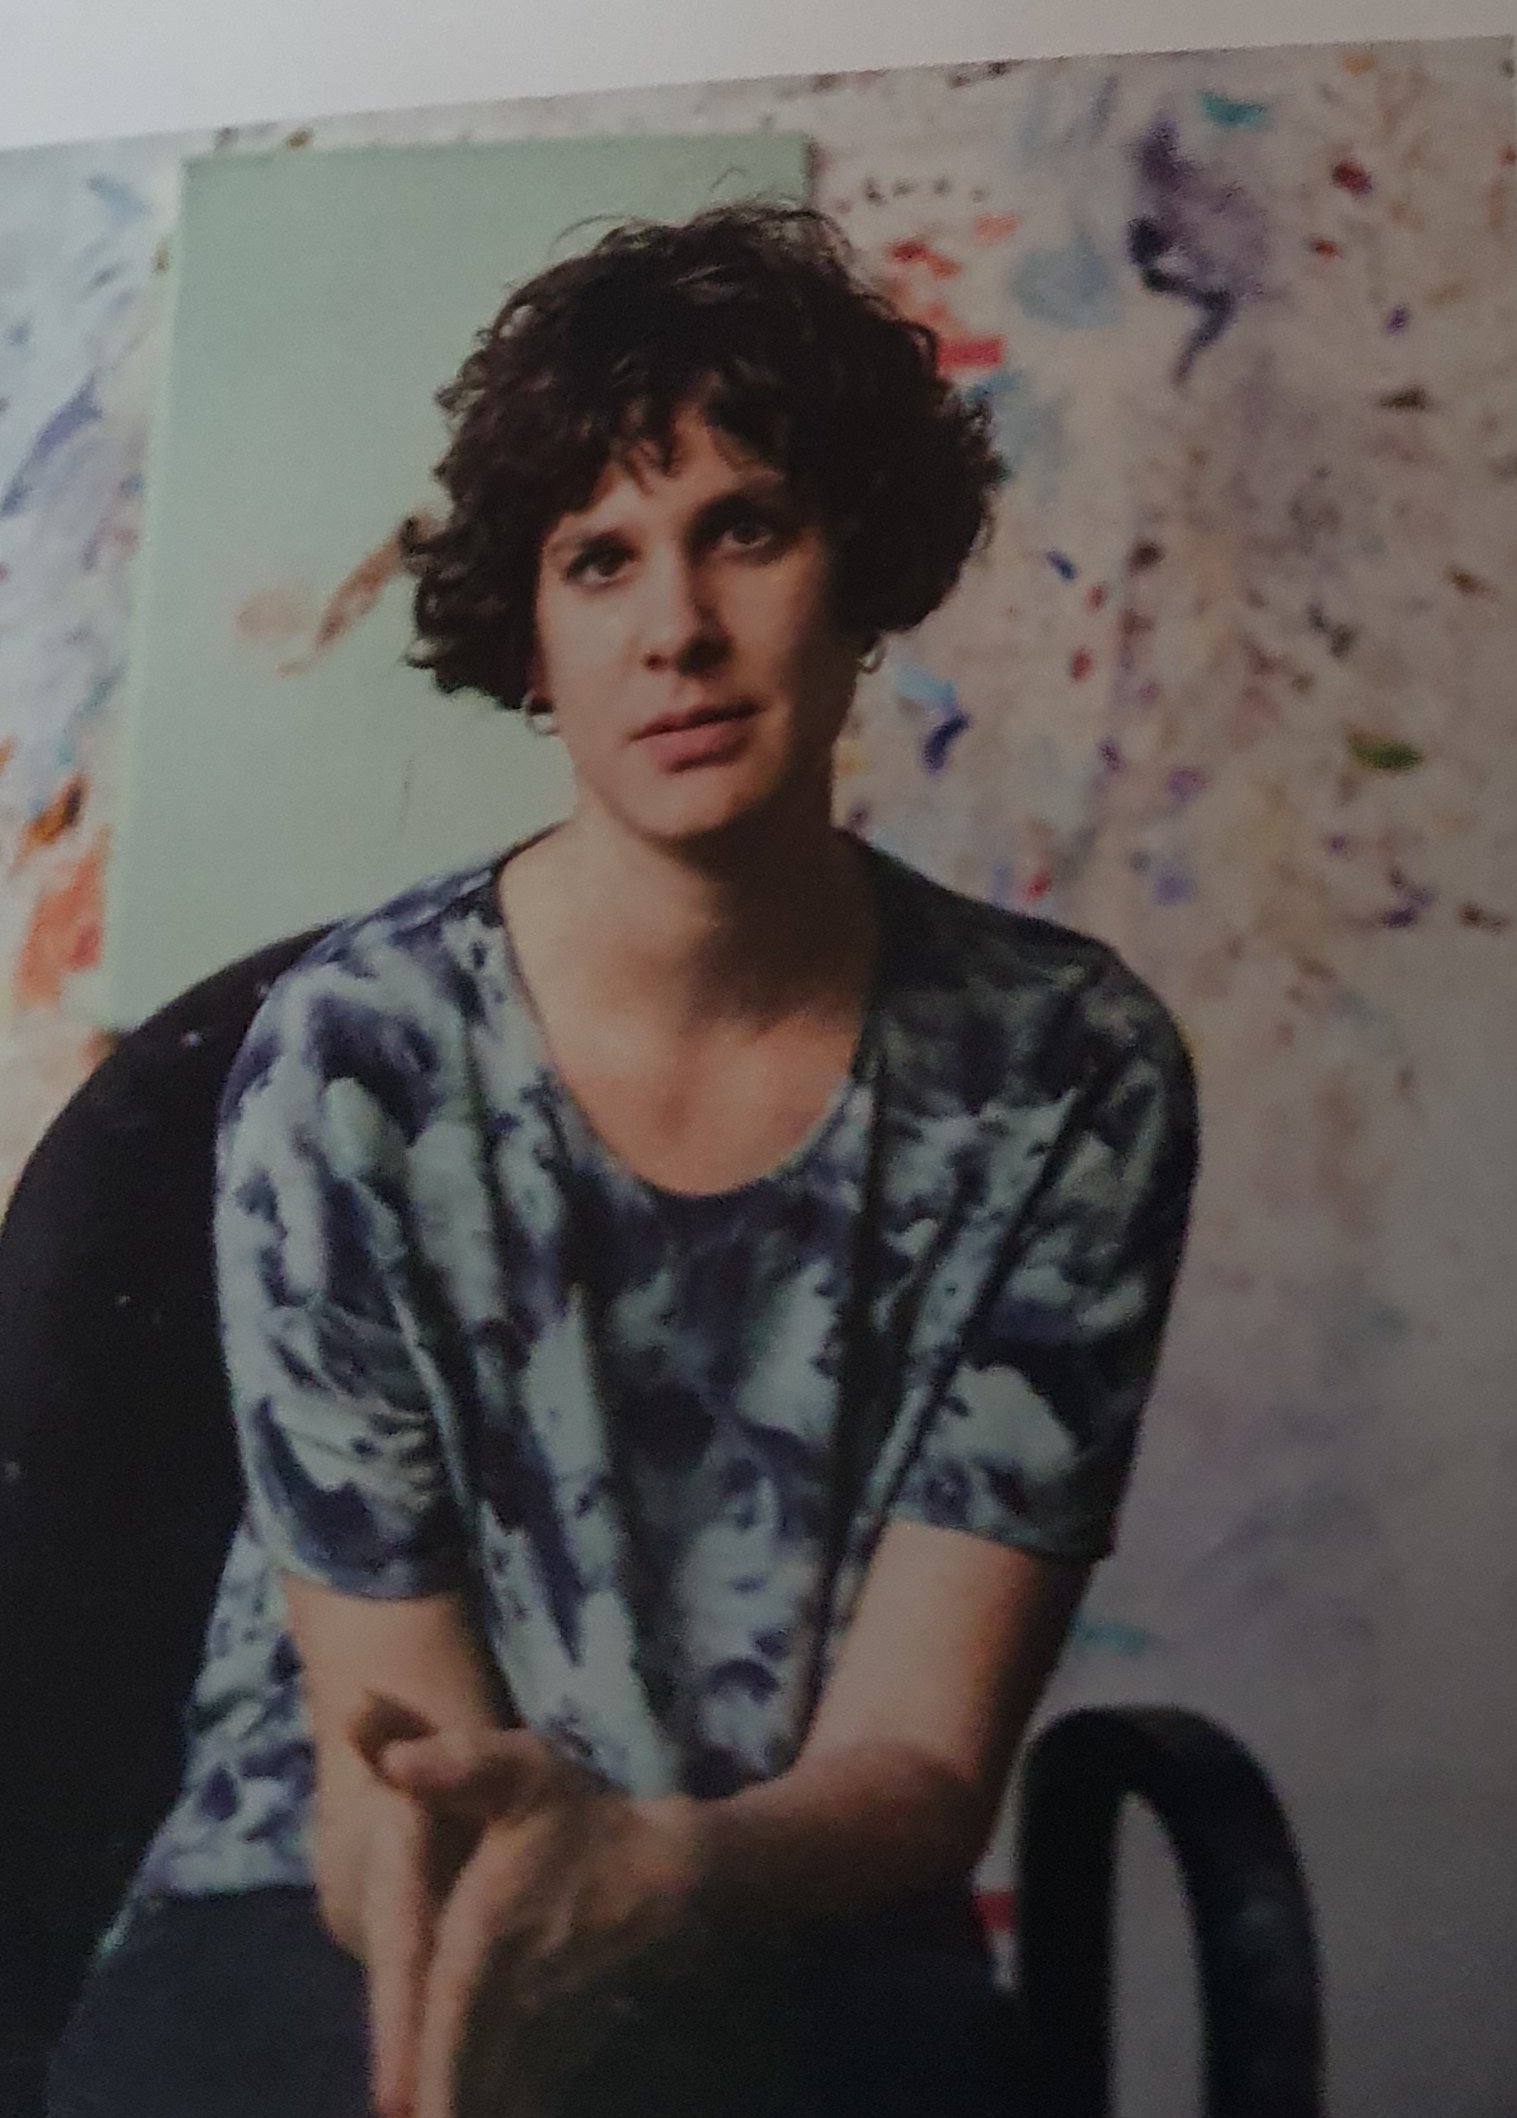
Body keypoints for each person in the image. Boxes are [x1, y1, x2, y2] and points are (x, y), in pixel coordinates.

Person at [47, 201, 1198, 2118]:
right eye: (600, 558)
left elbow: (922, 1760)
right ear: (535, 630)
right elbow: (384, 1763)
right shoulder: (353, 1060)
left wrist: (669, 1874)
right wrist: (473, 2011)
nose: (675, 627)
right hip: (331, 1901)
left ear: (858, 565)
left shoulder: (1068, 1075)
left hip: (791, 1892)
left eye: (744, 527)